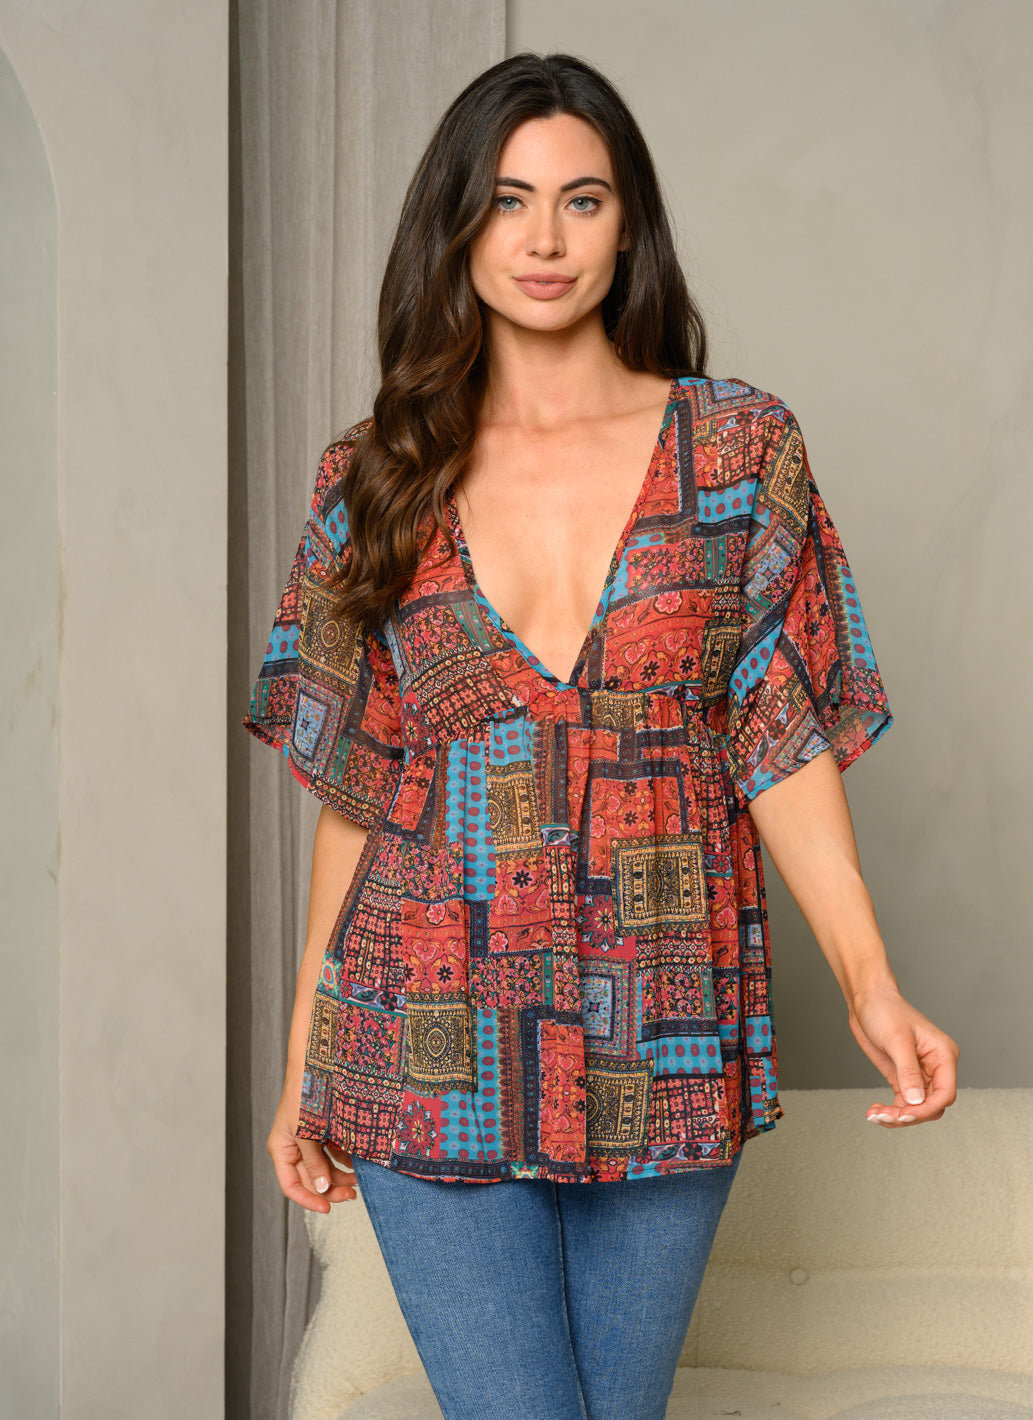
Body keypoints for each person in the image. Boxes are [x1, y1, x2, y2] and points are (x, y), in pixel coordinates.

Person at [243, 51, 959, 1420]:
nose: (545, 239)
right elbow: (357, 785)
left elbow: (779, 737)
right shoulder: (375, 475)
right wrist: (300, 1066)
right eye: (508, 201)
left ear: (629, 225)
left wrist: (870, 982)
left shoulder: (737, 452)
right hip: (424, 1031)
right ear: (459, 224)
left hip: (666, 1028)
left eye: (582, 200)